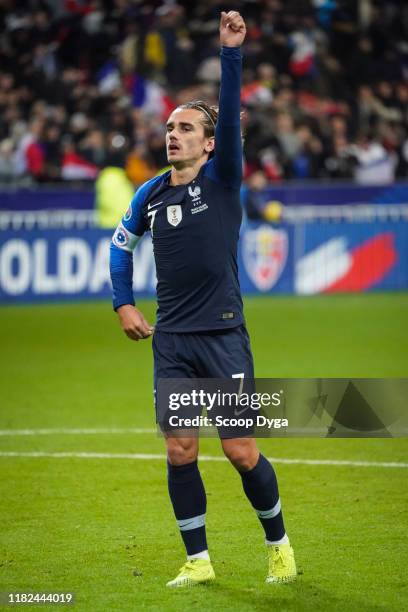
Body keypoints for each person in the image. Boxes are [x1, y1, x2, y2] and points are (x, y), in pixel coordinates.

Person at [110, 11, 297, 588]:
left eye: (186, 128)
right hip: (173, 343)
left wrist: (229, 53)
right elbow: (120, 249)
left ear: (210, 143)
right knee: (180, 451)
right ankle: (198, 560)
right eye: (170, 126)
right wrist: (125, 302)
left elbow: (233, 120)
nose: (173, 133)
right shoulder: (149, 192)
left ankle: (279, 545)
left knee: (241, 451)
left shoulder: (223, 179)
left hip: (222, 337)